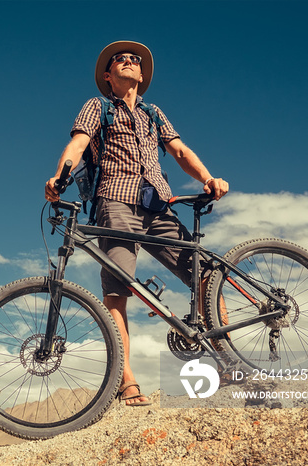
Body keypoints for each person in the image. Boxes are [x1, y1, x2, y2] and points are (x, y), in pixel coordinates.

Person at [44, 41, 229, 406]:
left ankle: (230, 357)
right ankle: (126, 381)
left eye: (134, 60)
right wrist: (58, 176)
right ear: (108, 75)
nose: (129, 62)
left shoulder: (154, 113)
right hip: (115, 201)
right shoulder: (97, 106)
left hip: (158, 204)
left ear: (141, 76)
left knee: (206, 274)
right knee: (117, 291)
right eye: (120, 60)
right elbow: (79, 143)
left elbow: (179, 150)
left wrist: (208, 178)